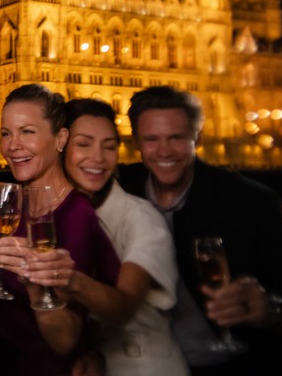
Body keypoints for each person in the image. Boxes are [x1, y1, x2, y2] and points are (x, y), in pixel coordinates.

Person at [119, 85, 282, 375]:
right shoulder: (120, 190)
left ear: (198, 138)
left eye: (176, 137)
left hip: (242, 366)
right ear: (137, 142)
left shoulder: (249, 202)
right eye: (152, 139)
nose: (164, 150)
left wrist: (271, 309)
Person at [0, 84, 120, 376]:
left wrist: (34, 281)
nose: (12, 145)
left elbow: (65, 340)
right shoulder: (13, 206)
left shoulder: (77, 216)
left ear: (60, 139)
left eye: (27, 132)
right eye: (6, 133)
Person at [61, 97, 187, 375]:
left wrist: (62, 276)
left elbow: (124, 308)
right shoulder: (59, 215)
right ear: (61, 147)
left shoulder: (143, 218)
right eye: (84, 144)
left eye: (109, 146)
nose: (98, 157)